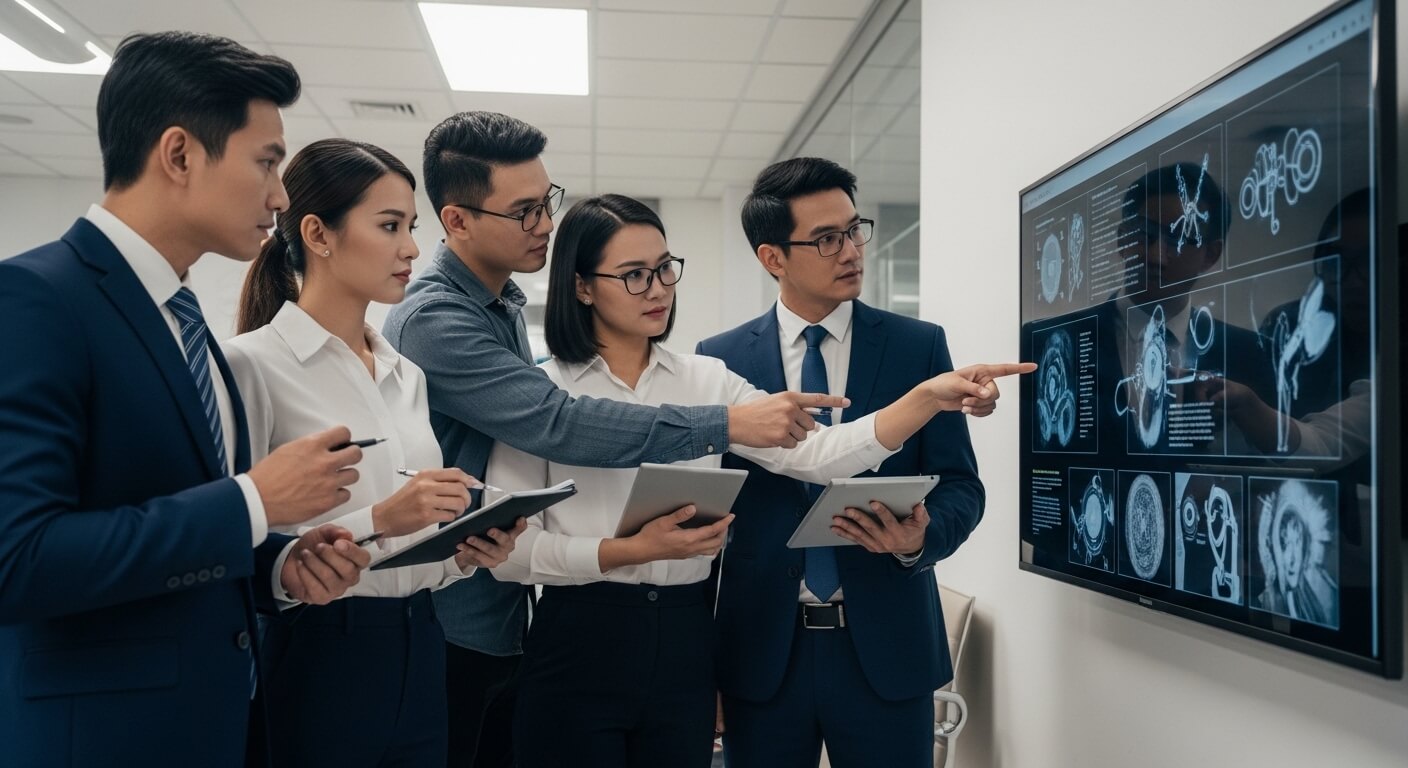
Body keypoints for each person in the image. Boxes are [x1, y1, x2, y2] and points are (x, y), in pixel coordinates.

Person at [485, 194, 1026, 768]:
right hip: (577, 639)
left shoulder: (707, 380)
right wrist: (625, 551)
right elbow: (506, 548)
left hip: (683, 641)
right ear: (582, 287)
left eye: (666, 269)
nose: (660, 289)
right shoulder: (539, 395)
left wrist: (922, 398)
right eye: (635, 276)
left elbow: (815, 454)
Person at [382, 112, 849, 768]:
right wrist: (721, 428)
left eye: (546, 202)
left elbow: (819, 452)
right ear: (458, 220)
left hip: (536, 627)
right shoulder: (439, 320)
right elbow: (557, 423)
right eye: (523, 211)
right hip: (463, 618)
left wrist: (919, 405)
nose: (543, 223)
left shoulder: (508, 311)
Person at [0, 32, 368, 767]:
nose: (280, 195)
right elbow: (19, 560)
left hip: (213, 725)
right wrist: (253, 503)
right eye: (266, 162)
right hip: (101, 741)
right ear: (179, 154)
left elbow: (173, 514)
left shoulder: (183, 317)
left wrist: (276, 563)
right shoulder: (36, 299)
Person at [697, 157, 1026, 767]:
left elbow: (961, 486)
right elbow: (705, 521)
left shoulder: (918, 346)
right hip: (762, 654)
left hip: (887, 649)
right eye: (826, 239)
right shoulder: (717, 363)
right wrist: (704, 665)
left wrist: (918, 538)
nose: (850, 250)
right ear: (773, 258)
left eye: (854, 230)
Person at [226, 138, 527, 767]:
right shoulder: (251, 365)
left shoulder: (404, 373)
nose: (413, 248)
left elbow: (407, 550)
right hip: (316, 651)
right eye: (389, 226)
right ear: (318, 234)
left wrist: (465, 552)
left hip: (422, 642)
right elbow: (239, 543)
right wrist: (380, 520)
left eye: (411, 227)